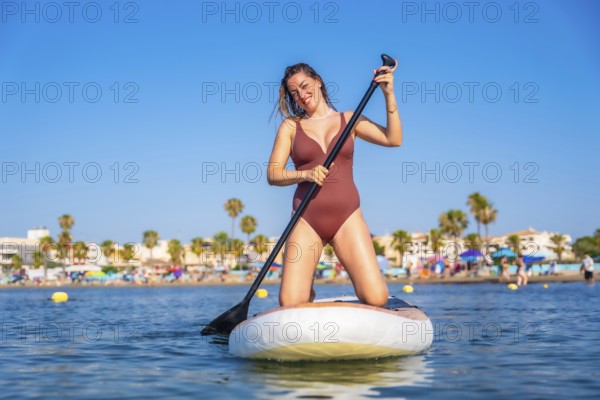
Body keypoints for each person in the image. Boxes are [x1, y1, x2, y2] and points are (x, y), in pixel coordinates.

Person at [267, 60, 401, 307]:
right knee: (290, 302)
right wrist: (304, 175)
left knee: (376, 298)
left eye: (306, 87)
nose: (302, 96)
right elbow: (273, 174)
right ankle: (307, 290)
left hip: (347, 216)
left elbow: (393, 139)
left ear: (318, 81)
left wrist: (388, 94)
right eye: (294, 93)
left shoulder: (349, 119)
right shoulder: (290, 127)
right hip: (306, 219)